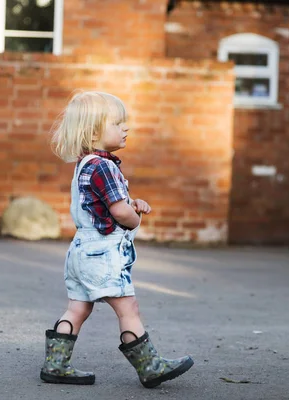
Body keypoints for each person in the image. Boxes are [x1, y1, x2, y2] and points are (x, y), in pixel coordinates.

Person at [40, 91, 194, 388]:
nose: (126, 128)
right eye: (118, 122)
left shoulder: (86, 164)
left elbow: (100, 203)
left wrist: (131, 201)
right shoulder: (105, 166)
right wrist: (134, 217)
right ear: (94, 130)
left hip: (81, 252)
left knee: (78, 308)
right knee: (129, 309)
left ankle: (56, 365)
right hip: (102, 253)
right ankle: (150, 367)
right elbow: (119, 211)